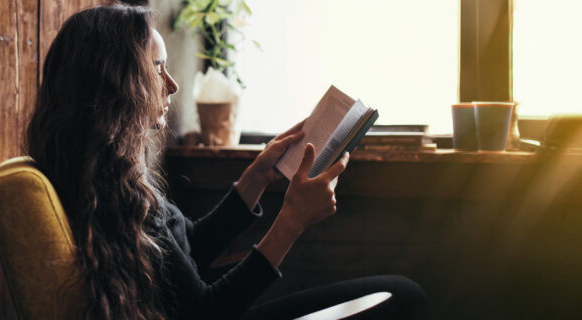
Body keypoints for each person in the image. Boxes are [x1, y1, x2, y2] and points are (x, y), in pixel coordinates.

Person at [27, 4, 426, 320]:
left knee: (398, 289)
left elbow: (188, 255)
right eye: (157, 67)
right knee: (404, 294)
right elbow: (205, 311)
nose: (172, 85)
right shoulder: (113, 193)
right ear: (118, 80)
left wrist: (255, 178)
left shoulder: (106, 175)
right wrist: (291, 221)